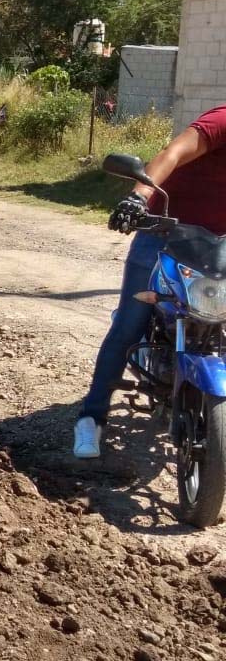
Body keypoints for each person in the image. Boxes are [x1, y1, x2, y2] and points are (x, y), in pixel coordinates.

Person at [74, 104, 226, 458]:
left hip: (218, 244)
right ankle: (91, 418)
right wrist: (137, 197)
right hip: (165, 230)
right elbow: (172, 153)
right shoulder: (222, 120)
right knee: (129, 326)